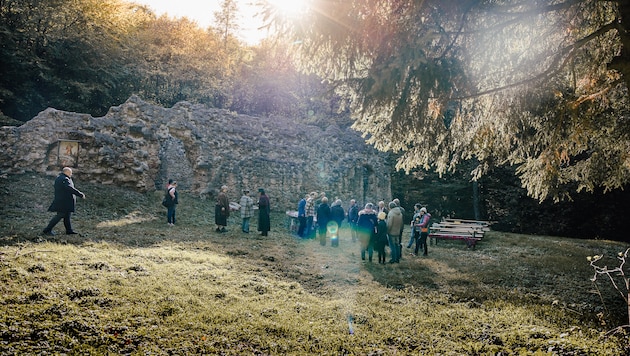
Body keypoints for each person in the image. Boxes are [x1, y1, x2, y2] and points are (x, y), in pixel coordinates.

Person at [42, 167, 86, 236]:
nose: (71, 174)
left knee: (67, 216)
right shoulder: (64, 179)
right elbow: (69, 188)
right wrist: (80, 194)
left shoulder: (60, 178)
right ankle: (47, 230)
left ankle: (69, 230)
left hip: (63, 201)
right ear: (67, 172)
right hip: (63, 202)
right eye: (70, 173)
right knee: (60, 215)